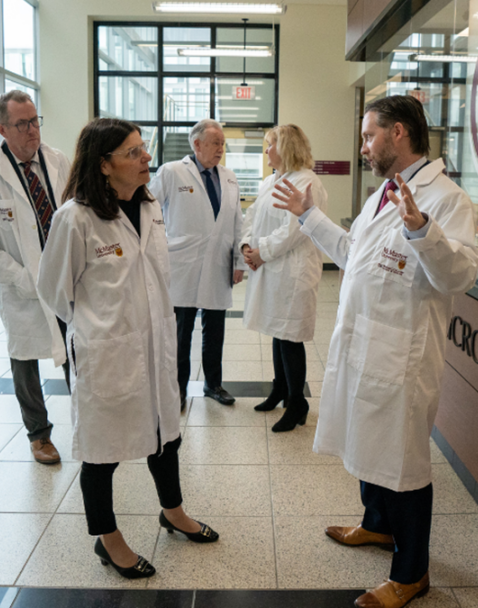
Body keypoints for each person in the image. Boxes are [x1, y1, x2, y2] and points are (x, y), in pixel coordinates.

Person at [272, 96, 478, 608]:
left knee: (402, 459)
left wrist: (422, 231)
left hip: (401, 355)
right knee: (367, 441)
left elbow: (461, 275)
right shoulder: (382, 194)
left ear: (399, 134)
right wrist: (309, 216)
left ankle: (412, 572)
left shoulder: (447, 200)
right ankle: (378, 524)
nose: (363, 147)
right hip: (363, 344)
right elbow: (351, 254)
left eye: (369, 136)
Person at [37, 118, 219, 580]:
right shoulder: (74, 218)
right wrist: (99, 330)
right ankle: (108, 539)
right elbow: (53, 290)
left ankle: (172, 512)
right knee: (102, 452)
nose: (146, 159)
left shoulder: (150, 204)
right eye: (133, 152)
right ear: (103, 164)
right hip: (108, 352)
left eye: (144, 149)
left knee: (166, 434)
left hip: (156, 344)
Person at [0, 90, 69, 465]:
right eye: (22, 124)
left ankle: (89, 420)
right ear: (2, 129)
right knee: (25, 361)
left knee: (77, 348)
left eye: (35, 120)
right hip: (23, 284)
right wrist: (19, 277)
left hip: (64, 276)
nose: (32, 130)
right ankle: (39, 435)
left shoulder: (58, 161)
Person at [148, 119, 244, 407]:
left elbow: (238, 220)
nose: (220, 149)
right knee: (181, 332)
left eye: (223, 144)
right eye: (216, 143)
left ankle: (213, 384)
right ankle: (177, 389)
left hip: (218, 263)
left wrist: (239, 261)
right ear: (197, 144)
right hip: (181, 265)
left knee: (215, 330)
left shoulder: (228, 176)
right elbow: (149, 208)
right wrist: (158, 248)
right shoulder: (172, 172)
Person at [240, 124, 328, 432]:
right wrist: (247, 246)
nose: (266, 151)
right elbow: (251, 216)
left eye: (270, 145)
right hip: (271, 266)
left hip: (293, 271)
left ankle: (297, 402)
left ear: (286, 147)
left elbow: (294, 230)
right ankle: (279, 390)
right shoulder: (271, 181)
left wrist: (261, 251)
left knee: (290, 336)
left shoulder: (307, 183)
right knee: (277, 330)